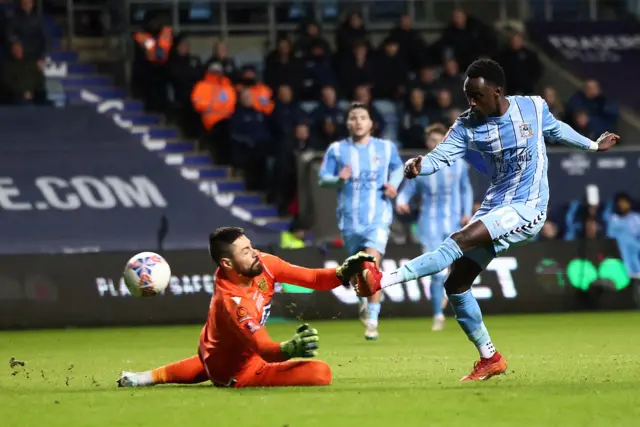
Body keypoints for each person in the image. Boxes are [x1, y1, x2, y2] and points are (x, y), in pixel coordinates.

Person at [356, 58, 619, 381]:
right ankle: (489, 357)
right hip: (496, 206)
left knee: (458, 240)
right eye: (467, 95)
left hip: (528, 208)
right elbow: (439, 156)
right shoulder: (466, 125)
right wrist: (418, 166)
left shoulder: (533, 108)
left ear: (497, 92)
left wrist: (592, 145)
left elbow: (556, 129)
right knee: (456, 284)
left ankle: (382, 280)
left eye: (476, 95)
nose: (471, 102)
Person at [118, 227, 373, 388]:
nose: (254, 253)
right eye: (246, 251)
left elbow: (314, 279)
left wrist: (344, 271)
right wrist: (289, 349)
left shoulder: (263, 263)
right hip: (237, 371)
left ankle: (145, 377)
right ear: (227, 263)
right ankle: (196, 377)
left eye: (251, 246)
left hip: (214, 352)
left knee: (213, 359)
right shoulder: (233, 302)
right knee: (321, 373)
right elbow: (265, 349)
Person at [318, 102, 404, 340]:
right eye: (353, 117)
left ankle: (373, 320)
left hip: (378, 218)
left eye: (362, 117)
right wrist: (338, 179)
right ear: (348, 123)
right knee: (359, 272)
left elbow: (398, 169)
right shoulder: (337, 150)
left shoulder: (386, 148)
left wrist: (393, 185)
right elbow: (322, 179)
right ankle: (364, 303)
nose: (358, 122)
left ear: (371, 123)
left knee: (370, 265)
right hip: (350, 222)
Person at [395, 123, 473, 331]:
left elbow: (466, 189)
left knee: (456, 270)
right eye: (432, 140)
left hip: (454, 223)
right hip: (428, 224)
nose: (436, 143)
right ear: (428, 143)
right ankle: (438, 314)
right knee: (435, 270)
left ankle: (459, 311)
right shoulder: (422, 166)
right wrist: (401, 200)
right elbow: (408, 188)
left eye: (440, 139)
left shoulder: (458, 163)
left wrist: (467, 211)